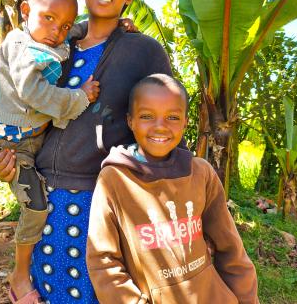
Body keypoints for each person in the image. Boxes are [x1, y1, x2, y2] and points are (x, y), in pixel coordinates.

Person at [0, 0, 179, 303]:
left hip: (102, 202)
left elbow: (166, 124)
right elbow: (13, 102)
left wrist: (172, 194)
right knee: (47, 289)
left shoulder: (143, 50)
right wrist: (1, 159)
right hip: (45, 196)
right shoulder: (54, 43)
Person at [86, 74, 259, 304]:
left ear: (186, 122)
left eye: (173, 117)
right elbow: (103, 261)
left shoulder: (200, 173)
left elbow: (231, 249)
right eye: (147, 116)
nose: (160, 127)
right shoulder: (114, 179)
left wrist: (247, 298)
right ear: (131, 121)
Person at [0, 0, 100, 303]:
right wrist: (78, 97)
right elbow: (33, 93)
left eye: (63, 25)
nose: (56, 30)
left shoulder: (49, 43)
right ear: (25, 11)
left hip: (34, 142)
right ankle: (19, 275)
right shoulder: (22, 47)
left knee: (39, 204)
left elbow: (71, 36)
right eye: (48, 18)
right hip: (14, 148)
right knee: (36, 208)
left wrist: (85, 26)